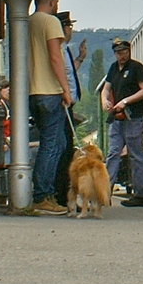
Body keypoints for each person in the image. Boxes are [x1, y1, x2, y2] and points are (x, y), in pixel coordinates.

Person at [27, 0, 71, 214]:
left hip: (31, 91)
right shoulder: (50, 22)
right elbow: (55, 57)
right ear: (53, 1)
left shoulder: (26, 22)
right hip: (49, 91)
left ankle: (45, 192)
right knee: (52, 145)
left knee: (58, 143)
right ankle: (42, 196)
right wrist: (65, 89)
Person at [100, 37, 143, 207]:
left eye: (124, 52)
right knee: (113, 153)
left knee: (135, 153)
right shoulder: (113, 69)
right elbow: (106, 88)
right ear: (114, 54)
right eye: (118, 52)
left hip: (133, 115)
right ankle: (104, 191)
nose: (121, 55)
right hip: (117, 116)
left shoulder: (137, 68)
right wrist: (104, 100)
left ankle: (141, 193)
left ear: (128, 52)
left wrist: (126, 101)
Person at [52, 11, 88, 209]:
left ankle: (64, 194)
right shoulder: (58, 48)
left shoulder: (64, 48)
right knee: (62, 149)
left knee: (65, 149)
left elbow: (69, 71)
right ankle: (60, 194)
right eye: (69, 27)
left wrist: (81, 58)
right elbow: (62, 72)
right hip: (62, 103)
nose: (71, 30)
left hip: (67, 103)